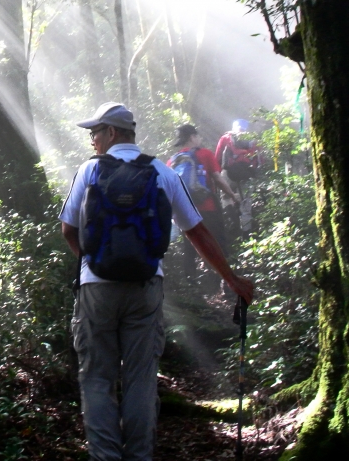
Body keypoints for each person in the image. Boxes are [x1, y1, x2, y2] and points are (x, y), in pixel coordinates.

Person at [59, 102, 254, 461]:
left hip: (96, 288)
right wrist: (231, 278)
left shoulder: (88, 171)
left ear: (112, 133)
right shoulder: (163, 173)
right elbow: (197, 232)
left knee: (98, 379)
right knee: (141, 379)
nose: (92, 140)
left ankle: (105, 457)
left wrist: (93, 264)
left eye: (95, 133)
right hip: (146, 287)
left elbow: (68, 229)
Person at [167, 124, 240, 287]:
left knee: (190, 248)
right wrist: (232, 196)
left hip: (185, 213)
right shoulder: (205, 154)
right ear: (192, 137)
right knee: (218, 244)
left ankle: (191, 285)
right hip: (208, 208)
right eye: (198, 136)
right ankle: (223, 283)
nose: (200, 139)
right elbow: (218, 179)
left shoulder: (172, 160)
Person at [215, 119, 260, 235]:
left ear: (234, 127)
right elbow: (259, 159)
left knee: (225, 196)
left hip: (228, 173)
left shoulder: (226, 137)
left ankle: (233, 220)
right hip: (246, 173)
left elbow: (217, 157)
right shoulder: (253, 140)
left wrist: (217, 174)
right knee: (246, 202)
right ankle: (246, 233)